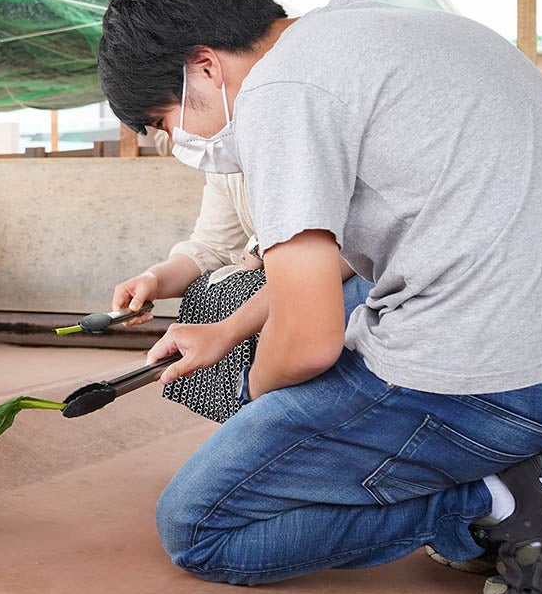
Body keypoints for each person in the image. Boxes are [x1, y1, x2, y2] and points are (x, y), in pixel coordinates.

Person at [96, 0, 542, 594]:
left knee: (200, 526)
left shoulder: (279, 94)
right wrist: (227, 333)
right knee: (278, 330)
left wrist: (258, 407)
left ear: (205, 67)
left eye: (164, 121)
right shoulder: (366, 33)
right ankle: (508, 469)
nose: (180, 140)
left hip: (521, 386)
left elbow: (306, 344)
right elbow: (338, 263)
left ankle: (500, 496)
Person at [111, 135, 371, 423]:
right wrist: (154, 279)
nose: (175, 136)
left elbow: (339, 249)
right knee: (208, 289)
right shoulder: (225, 161)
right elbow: (211, 246)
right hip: (295, 275)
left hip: (357, 280)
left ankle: (265, 404)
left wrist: (230, 332)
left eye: (163, 123)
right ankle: (250, 409)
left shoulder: (302, 146)